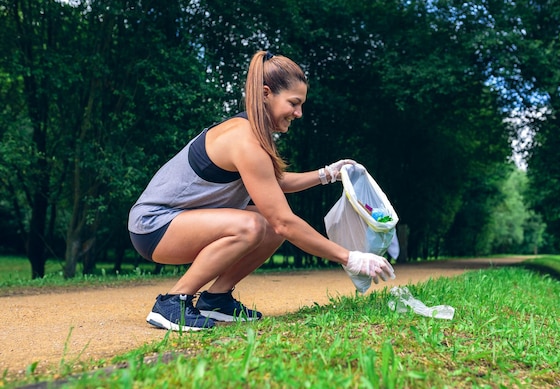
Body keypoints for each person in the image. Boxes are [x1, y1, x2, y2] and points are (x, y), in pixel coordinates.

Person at [128, 50, 396, 331]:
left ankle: (216, 299)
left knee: (265, 224)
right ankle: (172, 302)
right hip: (154, 226)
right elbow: (284, 222)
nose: (299, 113)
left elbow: (272, 183)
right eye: (294, 103)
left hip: (182, 221)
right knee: (256, 224)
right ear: (266, 93)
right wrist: (349, 257)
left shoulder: (254, 134)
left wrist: (326, 174)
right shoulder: (244, 140)